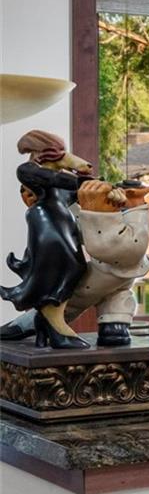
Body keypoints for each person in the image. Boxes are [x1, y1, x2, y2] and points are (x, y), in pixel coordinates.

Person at [2, 130, 92, 349]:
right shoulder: (29, 171)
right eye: (57, 153)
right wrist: (78, 176)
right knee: (62, 266)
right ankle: (55, 324)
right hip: (46, 224)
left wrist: (90, 183)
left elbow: (75, 188)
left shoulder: (61, 179)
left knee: (78, 267)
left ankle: (45, 322)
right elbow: (54, 179)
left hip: (62, 222)